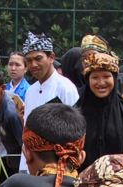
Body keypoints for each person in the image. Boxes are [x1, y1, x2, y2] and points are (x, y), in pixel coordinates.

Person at [19, 32, 79, 172]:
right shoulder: (31, 91)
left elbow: (75, 131)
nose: (33, 64)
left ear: (51, 57)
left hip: (57, 165)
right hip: (31, 163)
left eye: (38, 58)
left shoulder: (65, 87)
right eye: (29, 60)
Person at [75, 45, 123, 170]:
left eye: (106, 76)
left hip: (119, 184)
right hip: (82, 183)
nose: (101, 83)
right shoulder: (75, 114)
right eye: (95, 77)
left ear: (115, 78)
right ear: (87, 80)